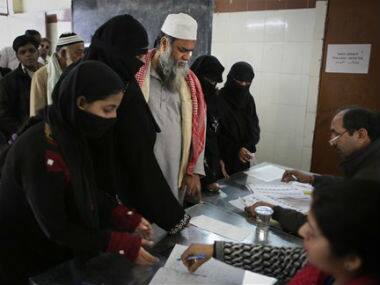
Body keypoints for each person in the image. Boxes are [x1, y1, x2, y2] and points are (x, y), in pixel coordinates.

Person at [0, 61, 158, 285]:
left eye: (116, 109)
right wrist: (118, 243)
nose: (113, 118)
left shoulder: (69, 134)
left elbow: (81, 188)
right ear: (81, 103)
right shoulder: (41, 150)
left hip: (54, 253)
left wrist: (122, 215)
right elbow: (57, 227)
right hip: (26, 257)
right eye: (107, 109)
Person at [84, 14, 190, 233]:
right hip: (99, 197)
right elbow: (136, 160)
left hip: (128, 190)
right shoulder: (97, 85)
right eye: (137, 55)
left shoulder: (123, 78)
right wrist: (175, 218)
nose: (142, 61)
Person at [181, 179, 380, 285]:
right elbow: (282, 259)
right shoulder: (330, 268)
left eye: (314, 232)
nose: (302, 231)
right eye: (307, 223)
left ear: (352, 260)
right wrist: (214, 250)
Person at [246, 107, 380, 234]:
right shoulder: (371, 160)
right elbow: (349, 184)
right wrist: (313, 179)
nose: (331, 141)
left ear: (361, 135)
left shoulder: (370, 177)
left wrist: (273, 211)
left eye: (337, 134)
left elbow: (323, 228)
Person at [136, 13, 206, 203]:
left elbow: (200, 126)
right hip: (142, 170)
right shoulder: (137, 75)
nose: (187, 57)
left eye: (191, 51)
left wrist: (195, 171)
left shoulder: (190, 81)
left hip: (177, 171)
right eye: (183, 49)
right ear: (165, 43)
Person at [191, 55, 227, 192]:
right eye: (208, 80)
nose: (212, 86)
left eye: (215, 82)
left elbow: (215, 135)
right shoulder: (189, 99)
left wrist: (219, 160)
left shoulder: (215, 99)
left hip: (212, 169)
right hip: (193, 171)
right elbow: (192, 142)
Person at [218, 61, 260, 175]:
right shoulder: (219, 99)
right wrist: (236, 149)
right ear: (231, 78)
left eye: (247, 83)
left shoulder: (249, 100)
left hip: (242, 161)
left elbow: (254, 129)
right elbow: (215, 134)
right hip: (221, 162)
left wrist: (247, 147)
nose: (243, 86)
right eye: (239, 81)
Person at [0, 35, 42, 143]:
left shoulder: (48, 74)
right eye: (22, 52)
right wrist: (20, 131)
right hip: (24, 135)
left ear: (38, 52)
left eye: (31, 50)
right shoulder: (9, 81)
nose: (28, 55)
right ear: (17, 56)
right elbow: (3, 112)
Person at [30, 33, 85, 116]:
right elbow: (37, 113)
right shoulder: (41, 75)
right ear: (63, 53)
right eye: (78, 53)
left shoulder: (81, 72)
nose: (82, 57)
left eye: (83, 52)